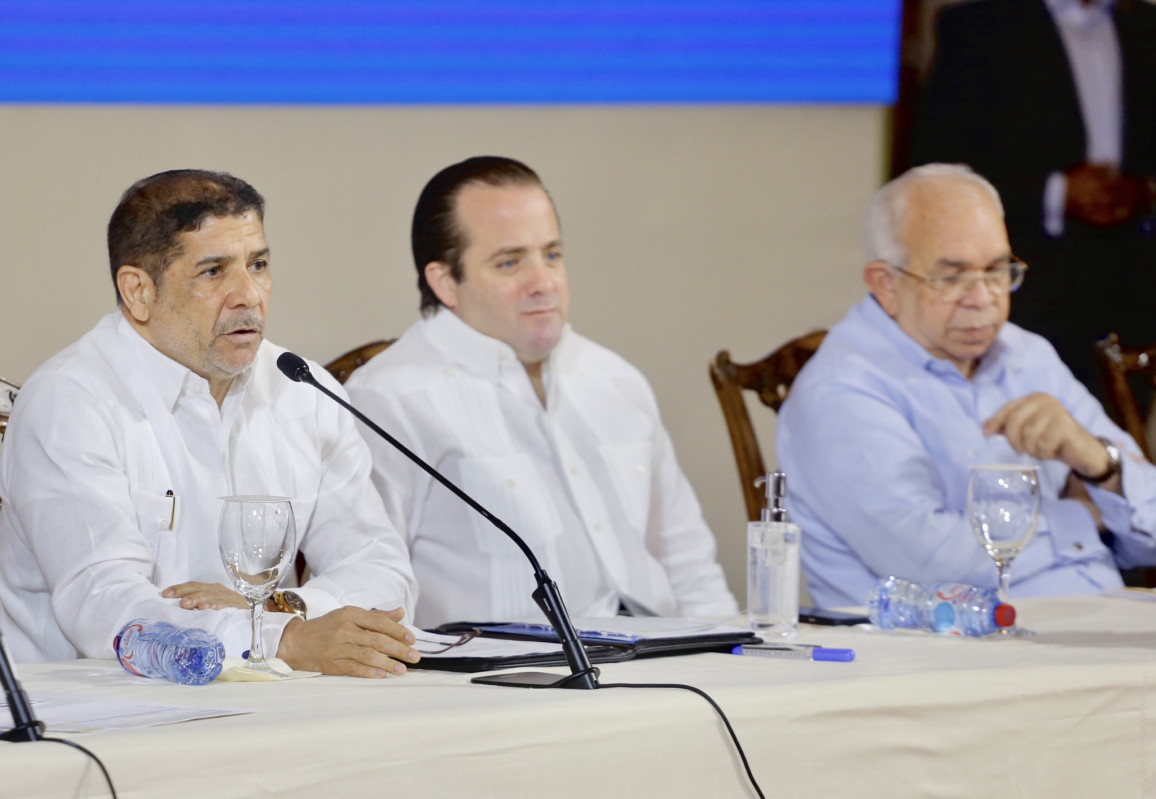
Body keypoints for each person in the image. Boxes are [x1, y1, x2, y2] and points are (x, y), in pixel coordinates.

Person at [0, 169, 420, 678]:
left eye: (258, 265)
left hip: (277, 703)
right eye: (213, 272)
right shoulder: (71, 401)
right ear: (138, 291)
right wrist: (278, 640)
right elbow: (106, 608)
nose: (249, 295)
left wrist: (280, 610)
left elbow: (384, 571)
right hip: (96, 709)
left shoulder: (302, 390)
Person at [345, 156, 738, 627]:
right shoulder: (390, 400)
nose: (544, 283)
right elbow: (370, 593)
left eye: (551, 255)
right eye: (510, 262)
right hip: (505, 667)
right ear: (446, 282)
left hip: (668, 654)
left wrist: (734, 657)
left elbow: (689, 565)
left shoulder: (617, 381)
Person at [777, 163, 1156, 609]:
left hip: (1097, 622)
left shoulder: (1027, 354)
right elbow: (933, 565)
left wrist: (1101, 467)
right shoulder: (841, 387)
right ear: (886, 284)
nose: (983, 299)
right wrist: (1086, 518)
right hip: (946, 643)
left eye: (997, 270)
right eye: (952, 277)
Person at [911, 0, 1156, 399]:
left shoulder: (1144, 26)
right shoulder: (982, 26)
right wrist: (1056, 192)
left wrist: (1144, 191)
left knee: (1120, 432)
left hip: (1132, 296)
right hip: (1026, 288)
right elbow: (937, 170)